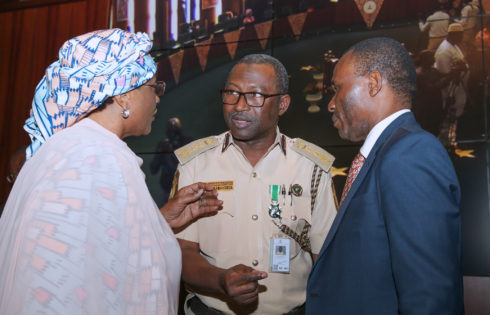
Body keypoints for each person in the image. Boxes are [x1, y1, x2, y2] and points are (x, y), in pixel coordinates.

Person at [0, 29, 222, 315]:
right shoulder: (100, 157)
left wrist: (160, 220)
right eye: (154, 88)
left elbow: (93, 248)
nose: (157, 99)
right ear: (124, 96)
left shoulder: (74, 147)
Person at [306, 37, 463, 314]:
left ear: (374, 83)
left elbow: (429, 296)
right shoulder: (389, 153)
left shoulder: (411, 154)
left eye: (337, 88)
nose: (331, 104)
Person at [175, 54, 338, 314]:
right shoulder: (195, 165)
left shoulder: (312, 169)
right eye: (232, 92)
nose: (239, 105)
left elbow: (327, 260)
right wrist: (221, 280)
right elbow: (182, 252)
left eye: (255, 96)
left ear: (283, 104)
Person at [434, 23, 469, 146]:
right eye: (460, 35)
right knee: (448, 116)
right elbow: (445, 73)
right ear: (453, 34)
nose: (461, 38)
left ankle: (451, 141)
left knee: (454, 118)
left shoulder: (453, 46)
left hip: (458, 88)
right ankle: (443, 144)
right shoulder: (444, 50)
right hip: (450, 90)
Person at [150, 117, 193, 206]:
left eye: (176, 132)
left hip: (188, 189)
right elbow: (153, 169)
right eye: (171, 132)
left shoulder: (189, 143)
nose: (174, 137)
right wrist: (161, 152)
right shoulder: (163, 146)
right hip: (168, 192)